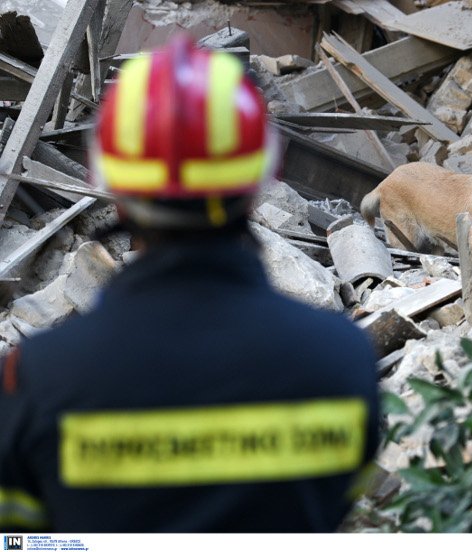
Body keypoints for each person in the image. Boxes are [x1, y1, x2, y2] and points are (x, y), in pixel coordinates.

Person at [0, 36, 380, 532]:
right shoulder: (342, 360)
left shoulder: (32, 380)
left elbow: (22, 540)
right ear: (256, 183)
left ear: (116, 188)